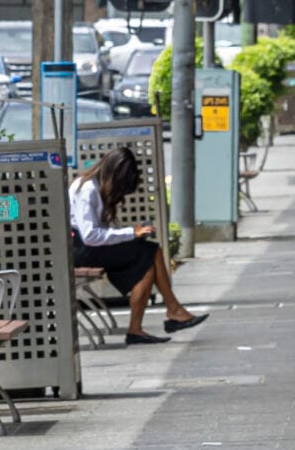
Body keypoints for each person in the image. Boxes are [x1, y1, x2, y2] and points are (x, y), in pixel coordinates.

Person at [69, 144, 209, 345]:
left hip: (88, 247)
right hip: (81, 250)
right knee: (150, 253)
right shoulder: (88, 189)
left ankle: (153, 321)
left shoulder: (94, 185)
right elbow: (90, 235)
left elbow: (98, 232)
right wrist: (130, 233)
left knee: (149, 259)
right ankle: (171, 311)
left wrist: (132, 234)